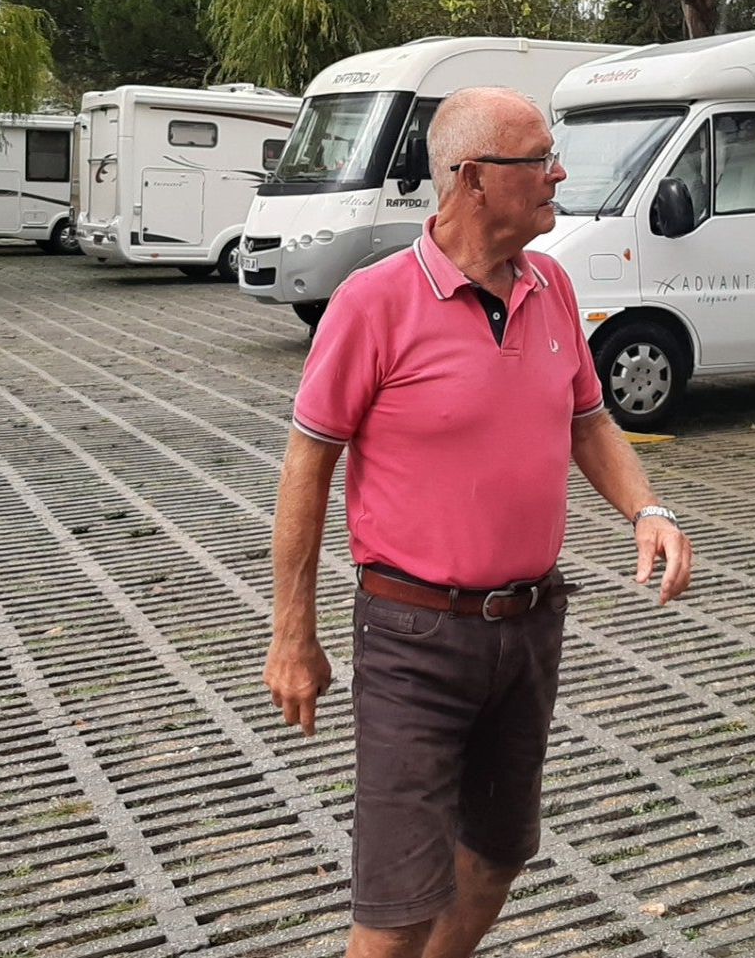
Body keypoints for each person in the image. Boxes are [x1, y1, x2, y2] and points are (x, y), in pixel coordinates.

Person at [264, 86, 693, 958]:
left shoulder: (553, 285)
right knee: (396, 907)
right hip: (413, 635)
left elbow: (588, 419)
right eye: (538, 158)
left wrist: (645, 508)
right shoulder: (372, 302)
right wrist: (292, 633)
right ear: (471, 180)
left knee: (494, 860)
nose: (558, 172)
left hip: (530, 626)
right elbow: (308, 464)